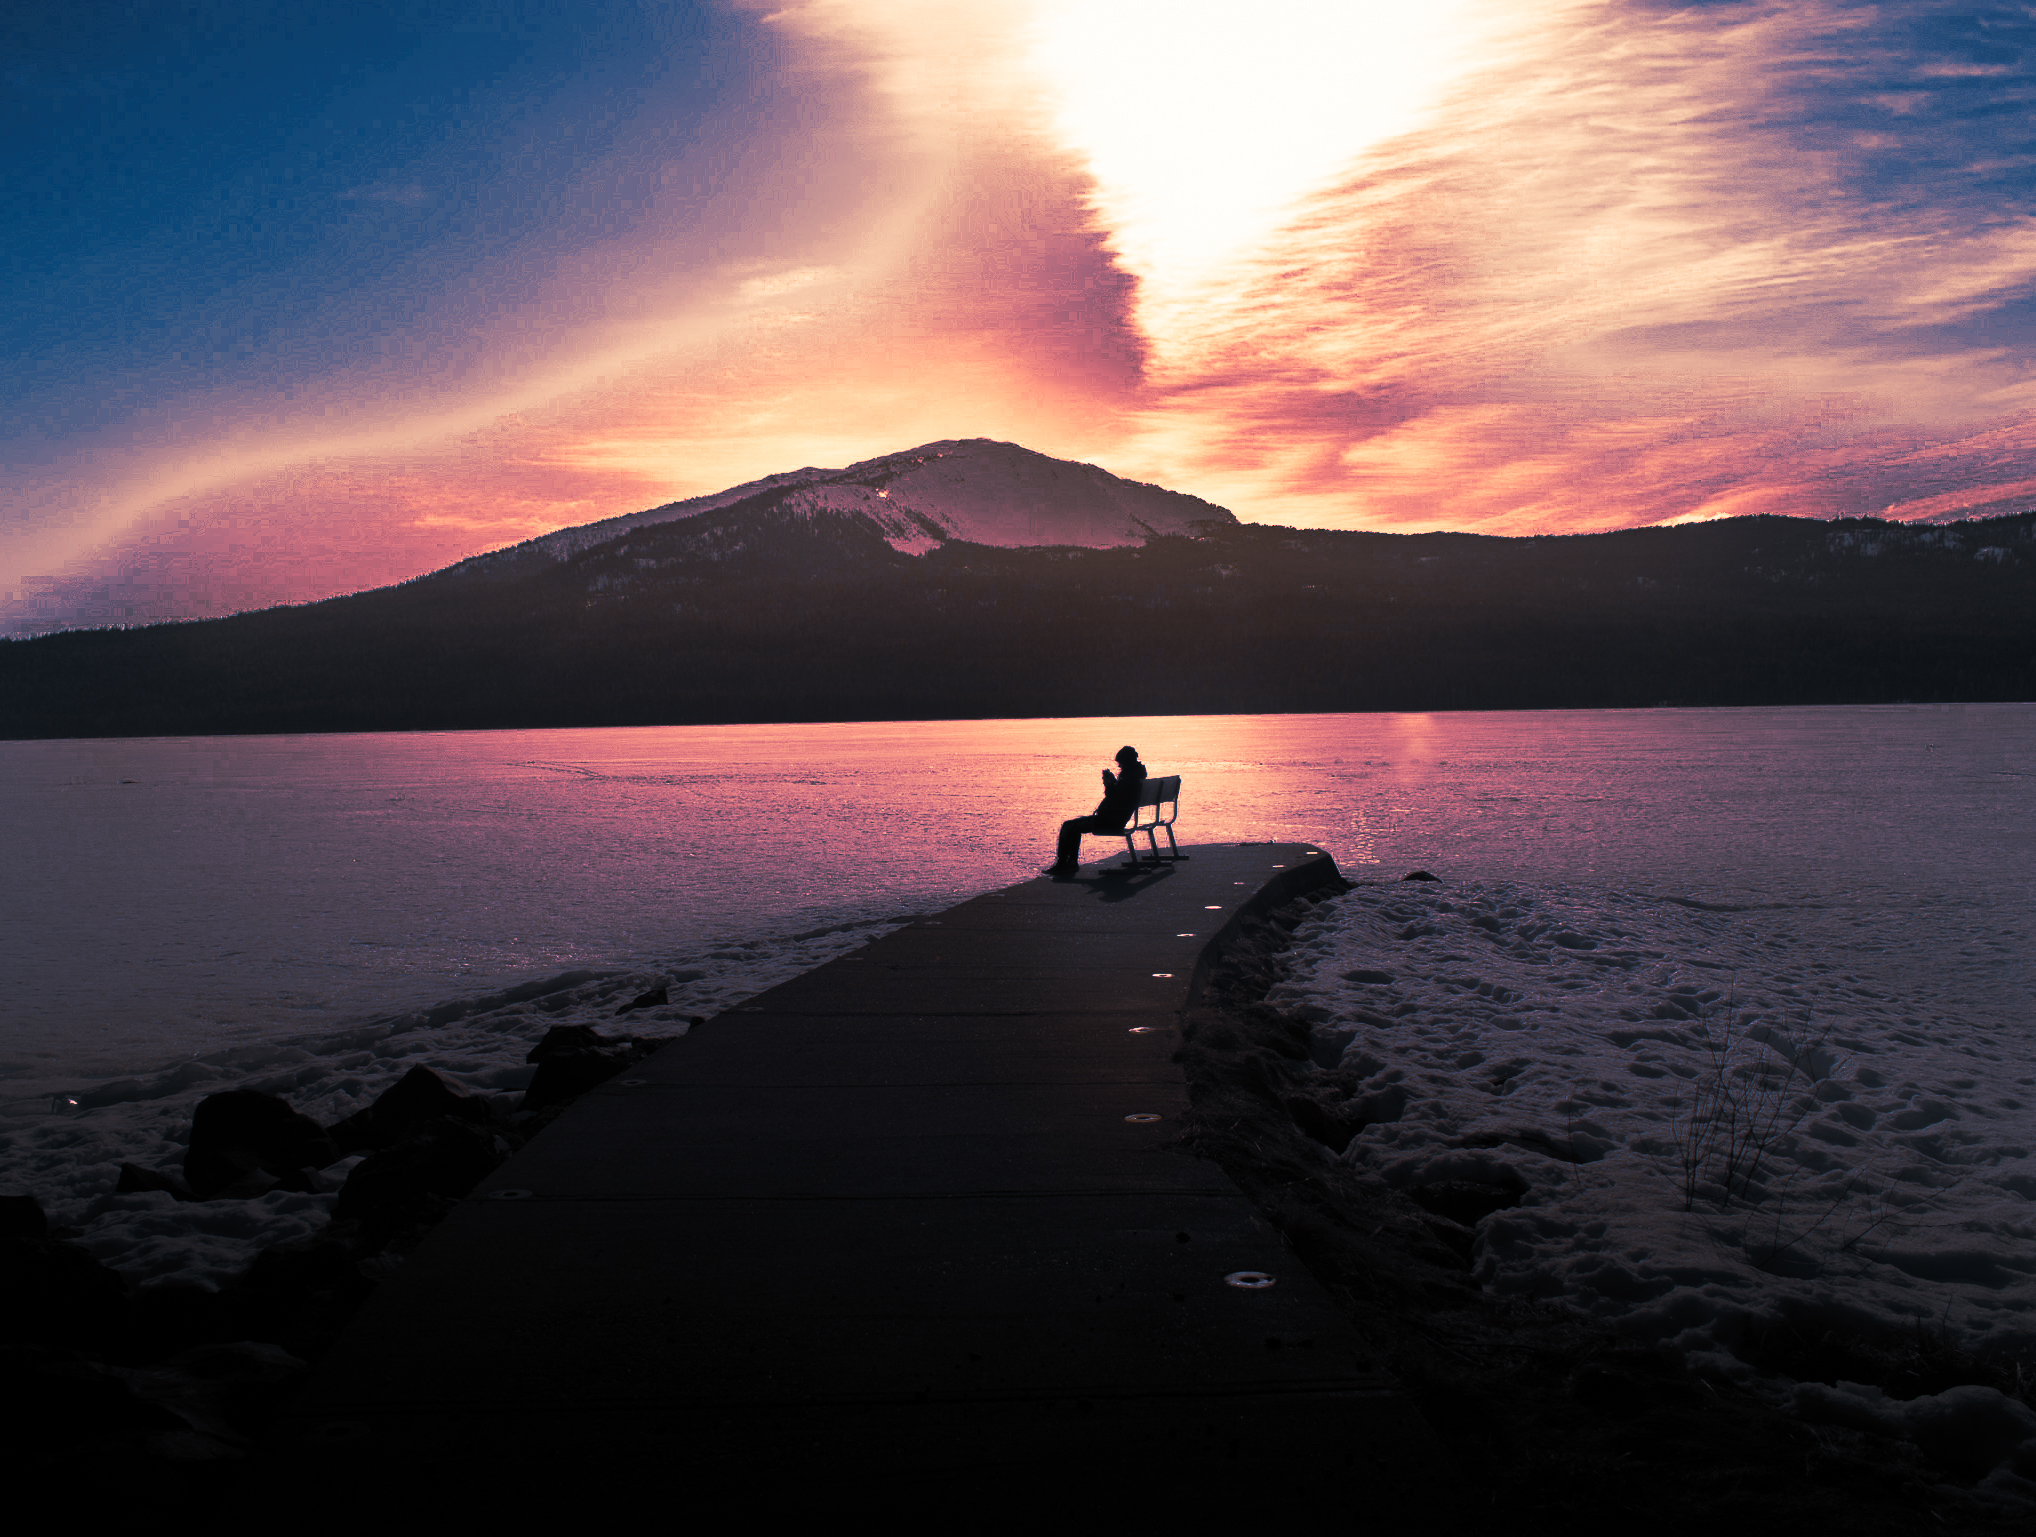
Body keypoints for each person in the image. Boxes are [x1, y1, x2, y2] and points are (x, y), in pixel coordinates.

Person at [1044, 746, 1147, 876]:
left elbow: (1115, 799)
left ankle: (1065, 864)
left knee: (1068, 826)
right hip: (1117, 818)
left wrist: (1109, 784)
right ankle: (1069, 863)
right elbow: (1121, 796)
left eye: (1120, 764)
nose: (1119, 766)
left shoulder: (1129, 779)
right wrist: (1114, 783)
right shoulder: (1135, 776)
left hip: (1110, 821)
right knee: (1073, 825)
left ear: (1126, 762)